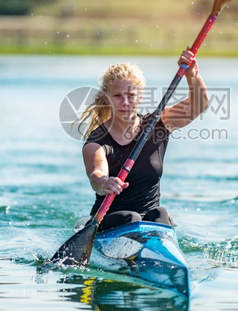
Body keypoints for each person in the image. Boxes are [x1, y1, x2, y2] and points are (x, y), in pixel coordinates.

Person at [80, 48, 209, 231]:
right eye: (117, 96)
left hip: (151, 222)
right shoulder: (96, 142)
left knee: (161, 214)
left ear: (140, 97)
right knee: (131, 218)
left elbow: (199, 104)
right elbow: (96, 174)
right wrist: (104, 183)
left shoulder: (158, 125)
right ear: (107, 98)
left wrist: (192, 75)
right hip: (111, 221)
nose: (125, 102)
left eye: (131, 95)